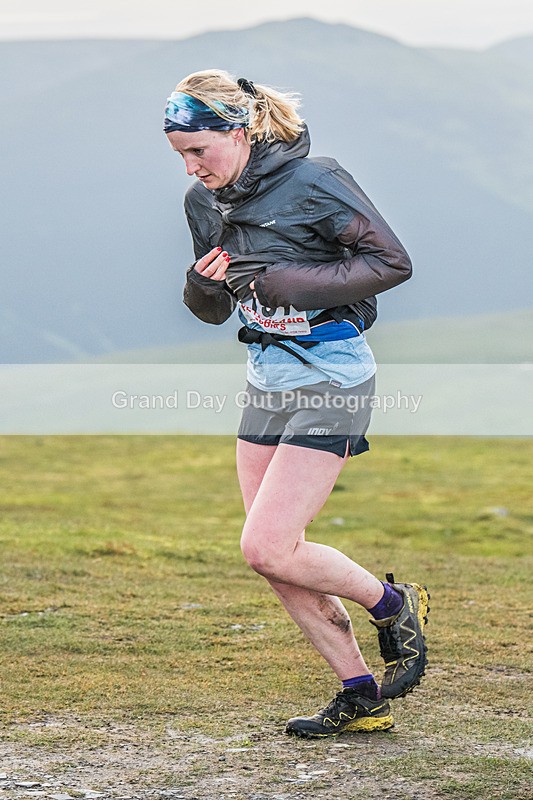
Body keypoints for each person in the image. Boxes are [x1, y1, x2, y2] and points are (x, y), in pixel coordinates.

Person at [164, 69, 430, 739]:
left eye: (200, 150)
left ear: (239, 130)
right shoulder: (205, 206)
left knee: (266, 542)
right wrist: (201, 286)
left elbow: (390, 262)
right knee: (272, 555)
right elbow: (211, 309)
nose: (192, 168)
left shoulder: (315, 181)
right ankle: (359, 694)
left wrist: (290, 282)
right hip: (266, 377)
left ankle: (392, 602)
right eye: (180, 155)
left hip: (333, 374)